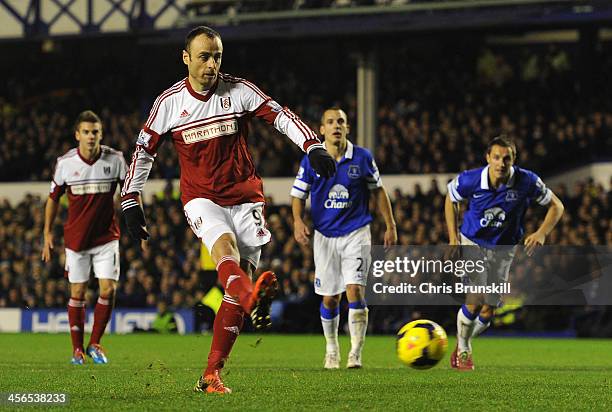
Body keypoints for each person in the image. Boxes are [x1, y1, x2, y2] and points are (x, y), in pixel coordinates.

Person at [120, 26, 336, 394]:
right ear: (185, 57)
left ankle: (211, 374)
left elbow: (279, 114)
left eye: (217, 56)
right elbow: (144, 151)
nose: (212, 64)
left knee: (235, 289)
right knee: (228, 259)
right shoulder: (168, 103)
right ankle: (252, 298)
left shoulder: (238, 90)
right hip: (202, 198)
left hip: (246, 197)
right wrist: (130, 198)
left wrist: (312, 145)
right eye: (204, 56)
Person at [445, 136, 564, 370]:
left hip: (504, 248)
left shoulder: (526, 181)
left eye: (506, 158)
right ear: (488, 158)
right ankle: (464, 351)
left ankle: (461, 344)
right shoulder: (471, 179)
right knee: (477, 296)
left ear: (513, 160)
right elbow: (450, 199)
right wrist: (453, 237)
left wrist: (541, 233)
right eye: (496, 157)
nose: (501, 163)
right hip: (473, 241)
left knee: (489, 310)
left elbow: (557, 206)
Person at [291, 107, 397, 369]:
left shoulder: (362, 158)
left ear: (348, 128)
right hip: (325, 236)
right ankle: (332, 348)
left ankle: (356, 353)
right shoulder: (311, 159)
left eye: (341, 121)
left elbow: (379, 191)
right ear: (322, 129)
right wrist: (297, 221)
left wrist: (390, 224)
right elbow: (298, 195)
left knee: (355, 291)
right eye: (330, 122)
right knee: (330, 298)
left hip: (356, 232)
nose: (336, 125)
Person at [42, 110, 127, 365]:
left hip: (106, 237)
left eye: (95, 132)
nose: (91, 137)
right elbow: (53, 199)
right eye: (87, 132)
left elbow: (130, 192)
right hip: (76, 240)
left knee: (108, 288)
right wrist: (47, 232)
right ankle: (77, 349)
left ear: (101, 134)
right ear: (77, 134)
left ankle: (95, 343)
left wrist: (137, 222)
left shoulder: (116, 159)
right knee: (78, 292)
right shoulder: (66, 163)